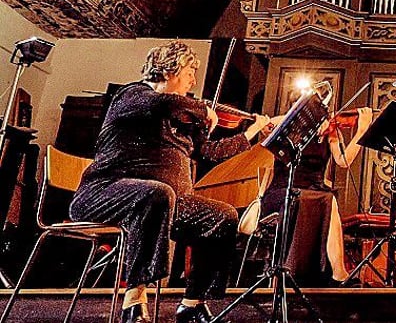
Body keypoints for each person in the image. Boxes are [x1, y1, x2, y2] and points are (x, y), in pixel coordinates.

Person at [69, 41, 280, 323]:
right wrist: (202, 110)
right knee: (157, 193)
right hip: (105, 194)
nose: (194, 79)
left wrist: (253, 131)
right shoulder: (132, 95)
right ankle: (133, 300)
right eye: (191, 70)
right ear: (171, 68)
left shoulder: (183, 119)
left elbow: (211, 152)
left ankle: (192, 303)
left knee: (224, 216)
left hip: (164, 203)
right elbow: (163, 103)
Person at [260, 105, 373, 284]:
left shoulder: (331, 133)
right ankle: (336, 273)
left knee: (328, 199)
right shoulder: (286, 123)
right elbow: (267, 128)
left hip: (315, 191)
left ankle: (338, 272)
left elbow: (344, 161)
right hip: (282, 191)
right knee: (326, 199)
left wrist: (361, 131)